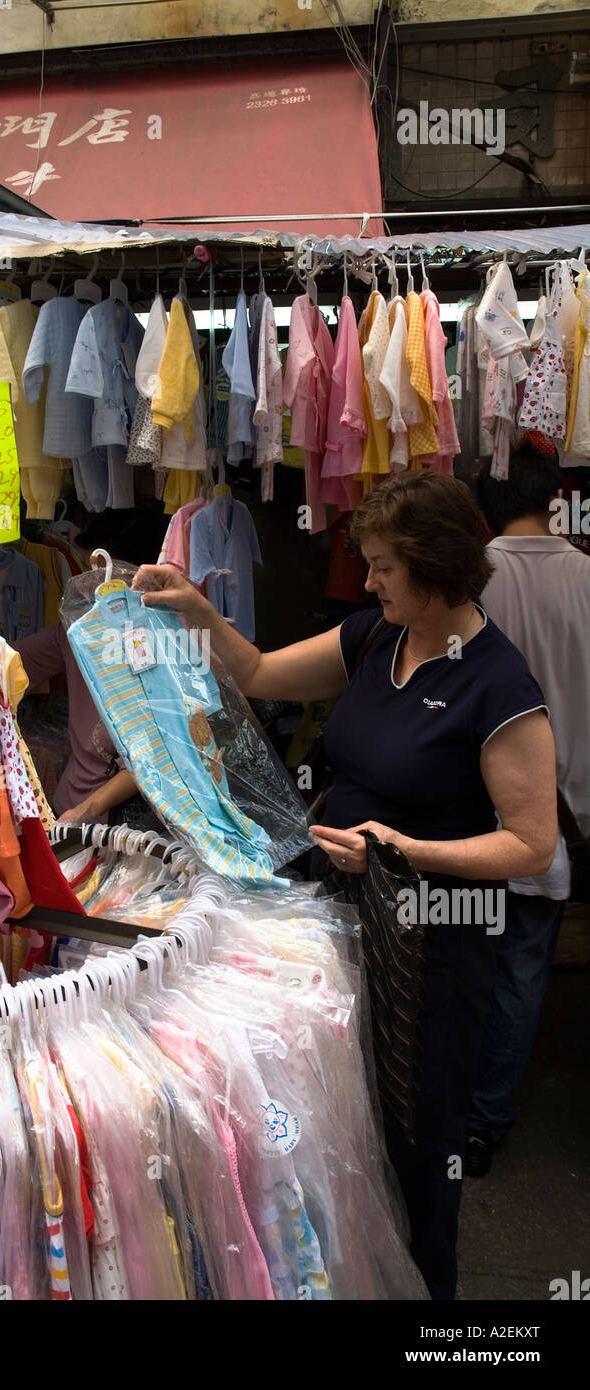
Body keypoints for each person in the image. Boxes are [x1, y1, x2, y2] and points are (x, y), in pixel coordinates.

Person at [132, 471, 557, 1301]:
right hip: (340, 924)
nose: (364, 583)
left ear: (435, 567)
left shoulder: (498, 688)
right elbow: (253, 671)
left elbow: (531, 845)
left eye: (382, 568)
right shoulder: (371, 639)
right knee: (347, 1122)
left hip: (433, 947)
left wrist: (404, 849)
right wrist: (195, 609)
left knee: (419, 1142)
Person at [465, 439, 590, 1176]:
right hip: (567, 817)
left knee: (459, 965)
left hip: (474, 816)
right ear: (555, 500)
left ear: (484, 505)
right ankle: (485, 1119)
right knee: (521, 970)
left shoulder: (471, 579)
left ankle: (451, 1111)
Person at [12, 622, 140, 825]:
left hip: (117, 828)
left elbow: (147, 761)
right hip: (72, 817)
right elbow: (8, 663)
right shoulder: (74, 629)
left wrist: (84, 812)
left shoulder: (148, 633)